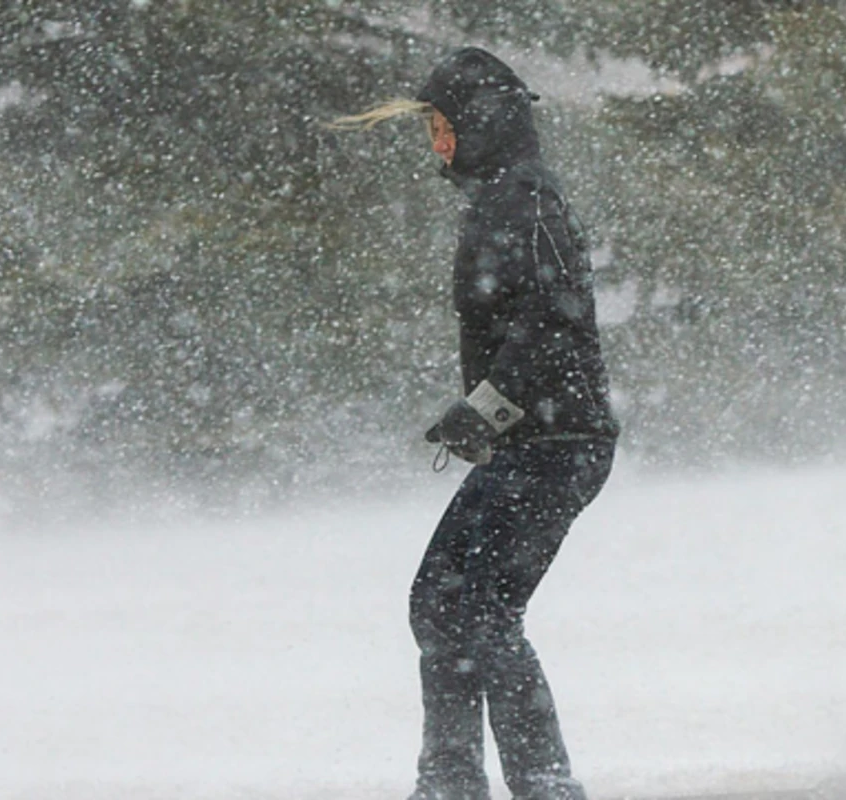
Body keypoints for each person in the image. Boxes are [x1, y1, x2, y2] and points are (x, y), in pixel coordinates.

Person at [332, 47, 618, 800]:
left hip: (558, 443)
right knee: (448, 602)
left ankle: (532, 783)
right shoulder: (503, 196)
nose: (437, 142)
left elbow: (552, 320)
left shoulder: (525, 199)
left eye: (443, 125)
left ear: (482, 124)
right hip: (535, 440)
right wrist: (487, 416)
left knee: (474, 606)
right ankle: (457, 781)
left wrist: (486, 407)